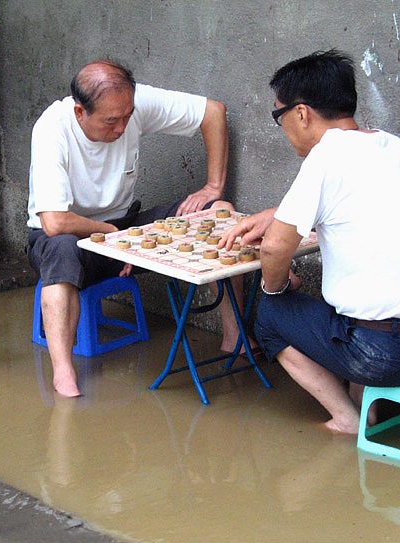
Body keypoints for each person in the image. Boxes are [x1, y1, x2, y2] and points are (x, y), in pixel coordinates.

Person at [219, 50, 400, 434]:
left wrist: (279, 287)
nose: (283, 126)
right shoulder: (390, 145)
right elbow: (363, 207)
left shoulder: (326, 157)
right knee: (352, 304)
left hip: (388, 356)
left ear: (301, 113)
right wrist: (278, 214)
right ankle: (367, 407)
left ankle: (347, 419)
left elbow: (273, 248)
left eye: (280, 116)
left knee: (272, 316)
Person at [27, 59, 246, 397]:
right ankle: (63, 370)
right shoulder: (51, 128)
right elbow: (54, 221)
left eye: (127, 117)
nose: (121, 128)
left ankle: (235, 336)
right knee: (61, 247)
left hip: (124, 229)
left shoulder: (130, 103)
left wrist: (213, 187)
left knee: (220, 213)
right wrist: (108, 233)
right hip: (67, 238)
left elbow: (213, 112)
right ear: (80, 112)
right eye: (111, 120)